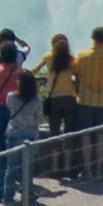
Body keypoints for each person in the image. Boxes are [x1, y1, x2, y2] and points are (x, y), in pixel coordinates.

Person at [75, 29, 103, 172]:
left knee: (86, 135)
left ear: (92, 37)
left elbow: (78, 74)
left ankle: (87, 169)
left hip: (86, 99)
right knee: (102, 136)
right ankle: (99, 168)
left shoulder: (83, 56)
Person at [32, 35, 79, 176]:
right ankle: (67, 167)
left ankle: (54, 167)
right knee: (69, 133)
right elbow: (78, 76)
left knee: (54, 134)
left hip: (54, 99)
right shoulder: (71, 59)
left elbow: (34, 71)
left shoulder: (49, 56)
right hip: (70, 99)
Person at [0, 71, 43, 206]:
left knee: (11, 167)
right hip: (29, 136)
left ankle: (7, 199)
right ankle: (25, 196)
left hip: (13, 134)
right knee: (27, 168)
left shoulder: (11, 97)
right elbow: (40, 119)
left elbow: (9, 109)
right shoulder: (36, 100)